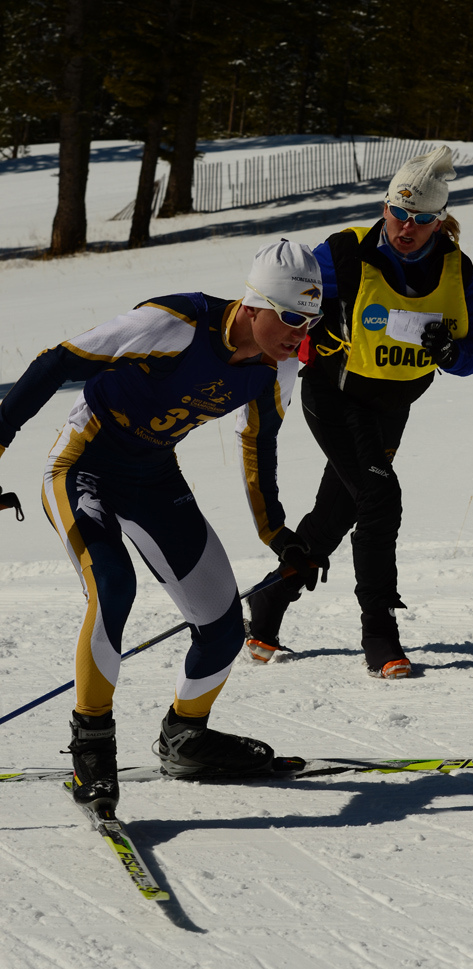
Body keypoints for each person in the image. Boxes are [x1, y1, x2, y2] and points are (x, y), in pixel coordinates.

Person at [0, 239, 326, 808]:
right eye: (292, 317)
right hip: (83, 467)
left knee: (223, 624)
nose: (301, 331)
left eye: (311, 319)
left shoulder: (277, 371)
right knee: (113, 588)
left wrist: (279, 537)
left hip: (153, 477)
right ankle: (93, 750)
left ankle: (187, 738)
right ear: (253, 304)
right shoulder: (179, 322)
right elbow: (56, 361)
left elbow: (259, 450)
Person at [245, 147, 473, 679]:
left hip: (391, 407)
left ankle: (270, 600)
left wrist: (450, 352)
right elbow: (279, 300)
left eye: (422, 218)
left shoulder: (456, 268)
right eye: (398, 212)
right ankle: (379, 633)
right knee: (380, 497)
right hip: (334, 395)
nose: (407, 226)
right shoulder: (343, 254)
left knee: (340, 512)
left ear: (439, 221)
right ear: (385, 207)